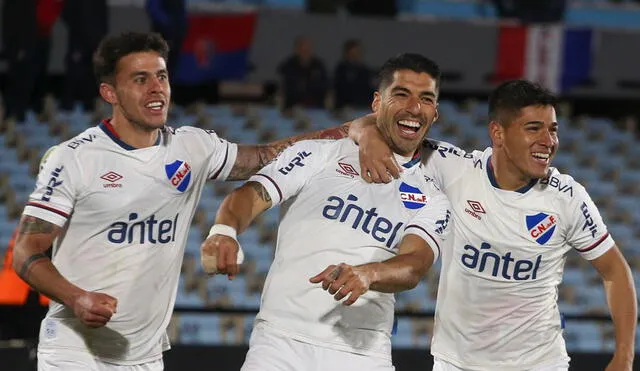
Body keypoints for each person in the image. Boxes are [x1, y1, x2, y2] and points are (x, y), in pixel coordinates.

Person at [12, 31, 356, 371]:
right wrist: (77, 298)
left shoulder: (191, 148)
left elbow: (267, 155)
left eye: (161, 76)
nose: (156, 88)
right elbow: (27, 251)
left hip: (144, 357)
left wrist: (351, 131)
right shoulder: (74, 158)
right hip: (74, 352)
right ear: (109, 92)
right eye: (140, 79)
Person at [352, 79, 637, 370]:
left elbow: (615, 271)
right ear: (497, 133)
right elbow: (375, 128)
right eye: (533, 128)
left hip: (538, 364)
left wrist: (624, 357)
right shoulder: (454, 169)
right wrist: (369, 137)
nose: (548, 141)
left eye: (552, 129)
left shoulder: (568, 198)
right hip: (456, 364)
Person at [202, 53, 451, 370]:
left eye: (425, 99)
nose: (414, 107)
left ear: (435, 113)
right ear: (377, 102)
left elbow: (414, 265)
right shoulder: (317, 154)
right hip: (281, 343)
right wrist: (224, 231)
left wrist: (368, 273)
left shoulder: (432, 196)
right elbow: (251, 196)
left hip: (362, 353)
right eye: (401, 94)